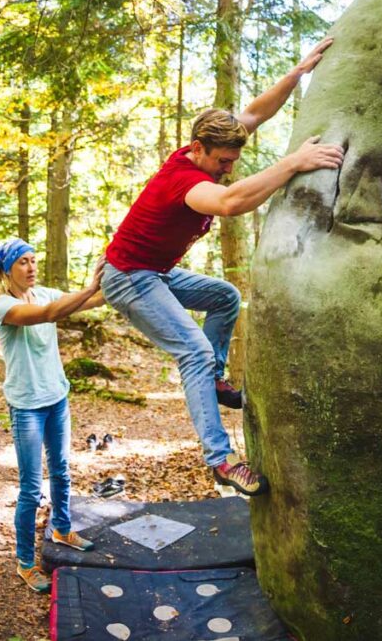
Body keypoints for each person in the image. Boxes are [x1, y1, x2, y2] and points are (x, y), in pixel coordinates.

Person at [102, 38, 345, 497]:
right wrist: (293, 163)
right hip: (130, 278)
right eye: (224, 161)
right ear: (198, 149)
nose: (229, 168)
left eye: (233, 160)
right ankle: (220, 461)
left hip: (153, 270)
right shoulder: (187, 182)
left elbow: (253, 113)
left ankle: (213, 379)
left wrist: (297, 71)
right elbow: (232, 203)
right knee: (191, 350)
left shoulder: (210, 147)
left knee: (224, 297)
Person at [0, 238, 106, 593]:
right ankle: (25, 562)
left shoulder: (43, 292)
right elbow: (50, 314)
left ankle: (62, 527)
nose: (31, 267)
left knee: (61, 470)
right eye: (23, 262)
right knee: (30, 488)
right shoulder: (4, 306)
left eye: (33, 260)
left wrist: (114, 284)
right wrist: (89, 286)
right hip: (26, 404)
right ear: (6, 270)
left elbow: (86, 302)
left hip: (56, 396)